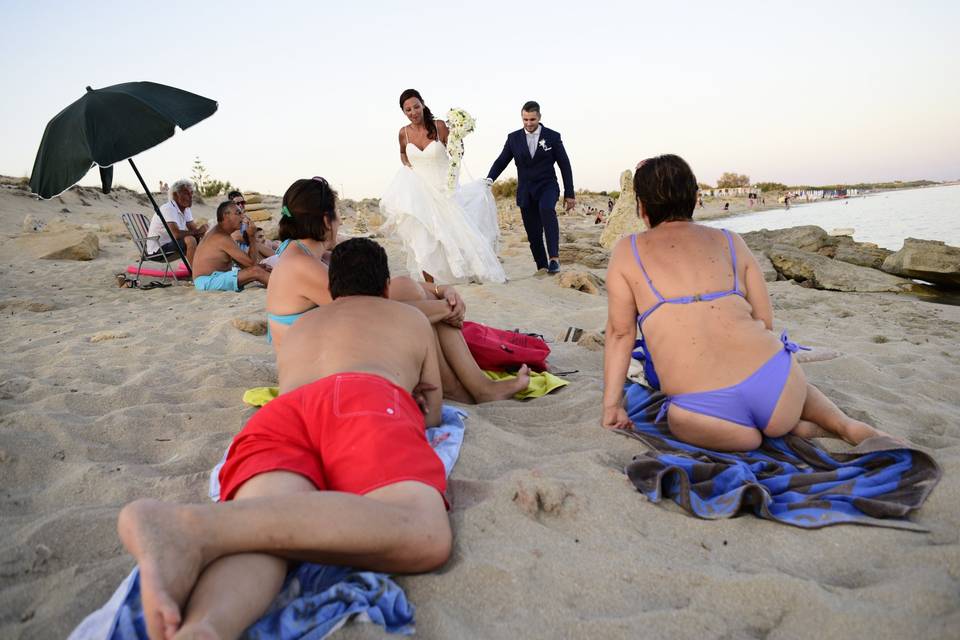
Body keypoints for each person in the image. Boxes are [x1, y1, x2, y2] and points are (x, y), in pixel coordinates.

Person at [117, 238, 452, 640]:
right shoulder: (408, 316)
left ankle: (206, 627)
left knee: (266, 526)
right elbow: (433, 409)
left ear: (334, 287)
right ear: (384, 289)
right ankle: (195, 528)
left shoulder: (302, 326)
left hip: (284, 413)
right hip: (364, 399)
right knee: (424, 532)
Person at [601, 154, 887, 451]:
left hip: (706, 413)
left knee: (693, 421)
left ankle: (771, 433)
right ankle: (842, 424)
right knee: (785, 375)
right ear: (695, 197)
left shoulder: (627, 252)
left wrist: (612, 406)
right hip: (776, 389)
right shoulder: (731, 241)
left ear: (642, 207)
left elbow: (621, 334)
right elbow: (764, 321)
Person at [268, 177, 527, 403]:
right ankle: (462, 388)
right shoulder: (302, 265)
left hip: (335, 344)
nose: (339, 223)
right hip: (319, 366)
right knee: (410, 293)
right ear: (326, 220)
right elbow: (369, 310)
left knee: (408, 288)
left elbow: (375, 286)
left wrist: (439, 289)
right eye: (338, 215)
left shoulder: (310, 253)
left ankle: (471, 386)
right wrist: (442, 307)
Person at [379, 89, 505, 284]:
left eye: (416, 107)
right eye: (408, 110)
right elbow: (403, 154)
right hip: (419, 191)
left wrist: (458, 141)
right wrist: (408, 166)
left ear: (423, 104)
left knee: (455, 234)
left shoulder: (439, 126)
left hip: (444, 189)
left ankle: (467, 273)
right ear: (404, 112)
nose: (413, 112)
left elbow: (457, 153)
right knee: (422, 238)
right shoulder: (403, 133)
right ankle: (430, 284)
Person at [486, 100, 575, 275]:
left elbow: (565, 165)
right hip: (525, 190)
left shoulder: (553, 136)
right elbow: (501, 161)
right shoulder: (513, 138)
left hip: (547, 185)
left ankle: (554, 259)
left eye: (532, 119)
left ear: (539, 117)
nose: (528, 123)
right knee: (532, 231)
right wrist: (489, 180)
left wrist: (569, 194)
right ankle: (542, 266)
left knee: (547, 209)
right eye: (525, 119)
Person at [192, 201, 271, 291]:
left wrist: (259, 266)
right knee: (257, 271)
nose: (242, 217)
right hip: (207, 281)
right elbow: (252, 264)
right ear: (226, 215)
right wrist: (252, 236)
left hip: (209, 280)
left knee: (260, 268)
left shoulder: (221, 233)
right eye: (238, 213)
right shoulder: (221, 237)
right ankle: (282, 287)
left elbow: (246, 265)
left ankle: (278, 283)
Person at [146, 179, 208, 265]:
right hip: (157, 251)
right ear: (175, 195)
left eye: (191, 193)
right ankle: (195, 273)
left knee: (202, 237)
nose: (190, 196)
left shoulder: (186, 209)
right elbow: (176, 234)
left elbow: (194, 229)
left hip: (172, 245)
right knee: (190, 239)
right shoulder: (169, 208)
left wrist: (204, 231)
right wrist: (198, 231)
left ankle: (205, 266)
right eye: (186, 193)